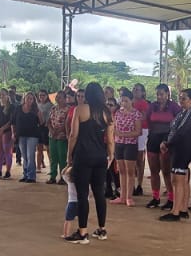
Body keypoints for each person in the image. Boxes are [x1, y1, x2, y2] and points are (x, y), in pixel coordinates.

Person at [65, 82, 113, 244]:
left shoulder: (80, 110)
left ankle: (83, 232)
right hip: (100, 157)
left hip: (83, 156)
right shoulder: (107, 112)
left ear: (87, 95)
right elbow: (111, 140)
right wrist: (111, 156)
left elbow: (73, 135)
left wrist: (69, 156)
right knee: (99, 193)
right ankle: (102, 229)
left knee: (82, 194)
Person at [159, 89, 191, 222]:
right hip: (179, 147)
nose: (181, 101)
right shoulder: (184, 112)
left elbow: (181, 131)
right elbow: (174, 129)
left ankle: (176, 211)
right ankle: (182, 209)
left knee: (178, 180)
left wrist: (168, 143)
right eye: (180, 98)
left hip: (183, 148)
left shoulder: (190, 112)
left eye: (184, 98)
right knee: (181, 179)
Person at [144, 85, 179, 210]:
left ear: (167, 94)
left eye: (162, 94)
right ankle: (156, 197)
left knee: (166, 171)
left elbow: (179, 122)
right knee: (154, 170)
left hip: (167, 140)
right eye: (157, 94)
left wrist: (169, 137)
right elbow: (147, 119)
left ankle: (171, 198)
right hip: (153, 138)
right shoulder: (152, 106)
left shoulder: (174, 106)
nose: (159, 97)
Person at [110, 89, 142, 207]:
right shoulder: (118, 113)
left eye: (126, 101)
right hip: (119, 144)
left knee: (130, 171)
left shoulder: (136, 114)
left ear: (131, 100)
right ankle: (122, 196)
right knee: (121, 171)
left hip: (130, 144)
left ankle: (129, 197)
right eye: (122, 101)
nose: (124, 103)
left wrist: (123, 134)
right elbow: (114, 127)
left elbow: (138, 132)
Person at [14, 92, 44, 183]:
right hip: (21, 135)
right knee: (24, 156)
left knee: (30, 155)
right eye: (28, 98)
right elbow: (13, 122)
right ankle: (25, 174)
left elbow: (41, 122)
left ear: (33, 100)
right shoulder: (18, 109)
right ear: (24, 98)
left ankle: (31, 176)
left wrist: (40, 114)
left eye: (31, 99)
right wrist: (13, 133)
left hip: (32, 135)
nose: (29, 100)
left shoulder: (35, 109)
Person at [46, 89, 73, 183]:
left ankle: (62, 177)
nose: (58, 99)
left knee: (62, 157)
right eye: (57, 97)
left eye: (60, 97)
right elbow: (48, 121)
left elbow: (68, 123)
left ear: (65, 99)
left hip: (62, 136)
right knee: (53, 157)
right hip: (52, 136)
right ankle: (52, 176)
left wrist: (59, 131)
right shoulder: (53, 108)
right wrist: (52, 130)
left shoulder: (68, 109)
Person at [0, 89, 14, 180]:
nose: (1, 96)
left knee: (7, 150)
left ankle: (8, 171)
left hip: (7, 131)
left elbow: (11, 121)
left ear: (7, 95)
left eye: (3, 94)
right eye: (0, 94)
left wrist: (2, 129)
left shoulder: (11, 107)